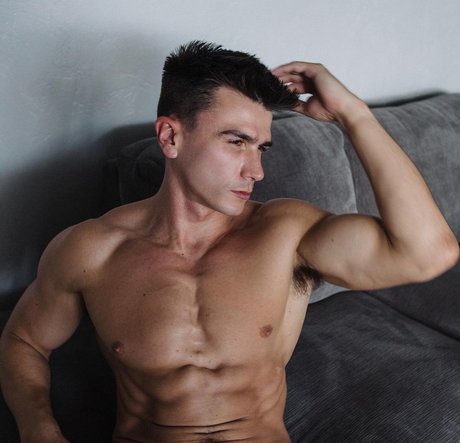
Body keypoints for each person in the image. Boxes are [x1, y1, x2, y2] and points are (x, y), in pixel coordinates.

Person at [0, 40, 458, 443]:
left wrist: (352, 114)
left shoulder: (287, 234)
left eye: (261, 147)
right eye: (237, 141)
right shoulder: (90, 251)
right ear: (170, 136)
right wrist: (39, 429)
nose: (256, 171)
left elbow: (428, 253)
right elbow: (23, 341)